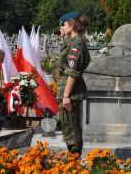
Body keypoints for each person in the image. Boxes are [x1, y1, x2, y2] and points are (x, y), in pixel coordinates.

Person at [55, 12, 91, 155]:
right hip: (69, 92)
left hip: (71, 94)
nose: (60, 28)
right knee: (69, 130)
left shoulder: (77, 45)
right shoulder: (72, 42)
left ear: (71, 24)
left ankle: (73, 165)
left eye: (62, 25)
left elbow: (72, 72)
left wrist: (66, 96)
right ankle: (73, 163)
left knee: (72, 135)